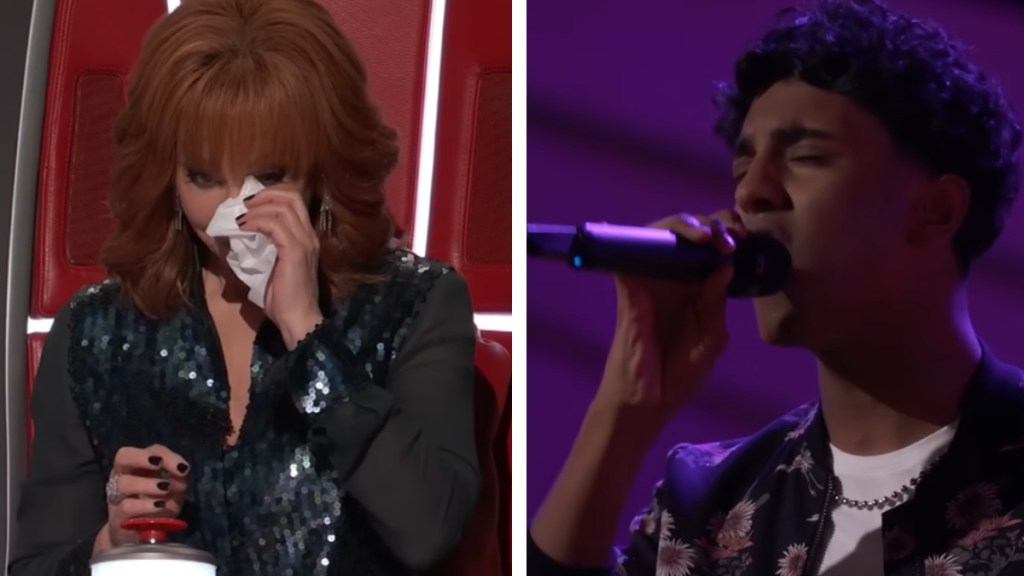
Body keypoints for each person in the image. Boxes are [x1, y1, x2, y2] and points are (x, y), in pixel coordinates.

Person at [528, 0, 1024, 574]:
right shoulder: (710, 501)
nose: (752, 194)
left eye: (806, 157)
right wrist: (625, 408)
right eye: (742, 171)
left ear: (937, 210)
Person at [8, 0, 479, 574]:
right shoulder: (95, 332)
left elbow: (429, 531)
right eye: (204, 176)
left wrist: (308, 331)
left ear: (321, 166)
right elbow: (34, 564)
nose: (235, 209)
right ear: (168, 173)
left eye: (270, 175)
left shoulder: (415, 305)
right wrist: (109, 547)